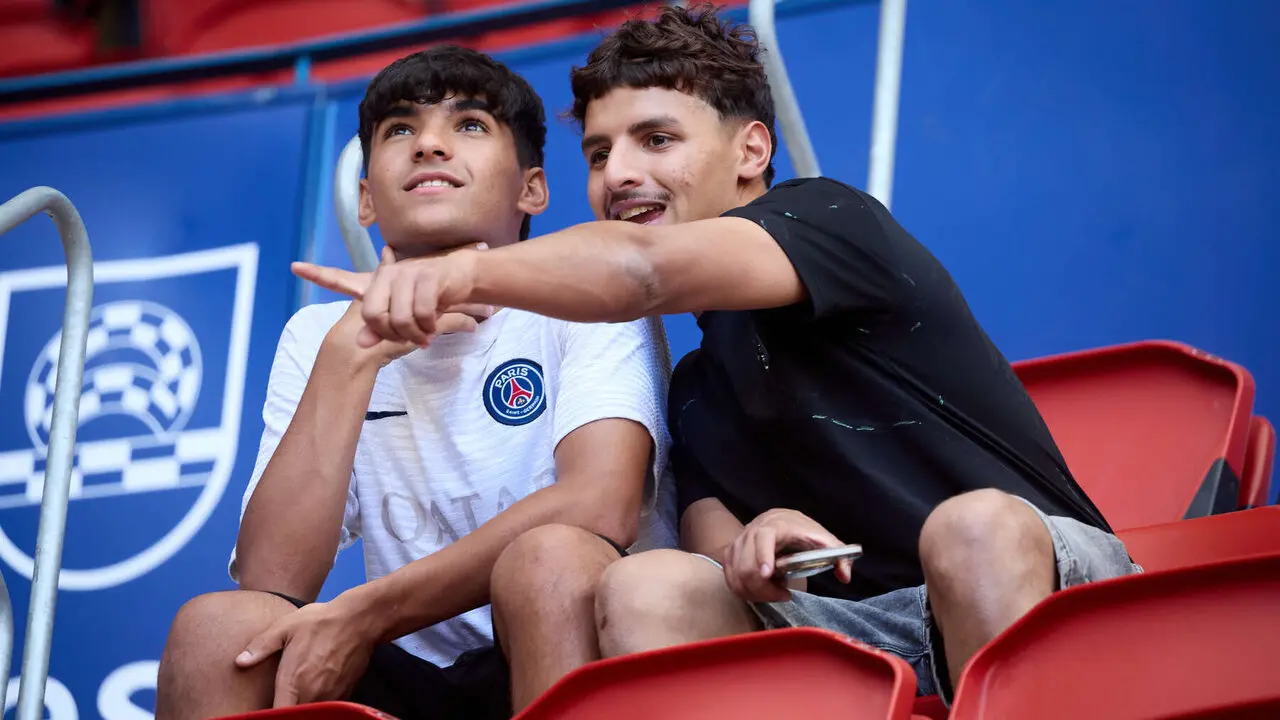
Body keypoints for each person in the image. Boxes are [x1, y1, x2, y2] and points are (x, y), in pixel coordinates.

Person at [294, 4, 1139, 709]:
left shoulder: (830, 220)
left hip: (1059, 597)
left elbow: (638, 272)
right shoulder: (693, 381)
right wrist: (756, 538)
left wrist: (460, 271)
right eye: (598, 153)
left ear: (751, 153)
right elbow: (713, 543)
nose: (619, 173)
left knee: (972, 525)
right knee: (648, 587)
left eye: (655, 140)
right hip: (871, 630)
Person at [156, 45, 674, 720]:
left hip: (577, 647)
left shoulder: (588, 293)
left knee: (551, 561)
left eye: (469, 125)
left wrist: (368, 613)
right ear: (367, 200)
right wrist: (351, 359)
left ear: (532, 190)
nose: (428, 144)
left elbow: (600, 505)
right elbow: (273, 579)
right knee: (218, 629)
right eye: (400, 129)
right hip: (414, 675)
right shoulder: (319, 338)